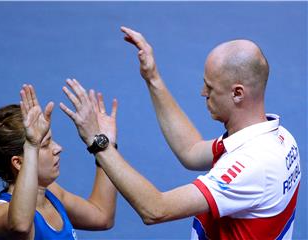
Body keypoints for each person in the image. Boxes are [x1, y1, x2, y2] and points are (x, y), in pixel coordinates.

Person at [59, 26, 301, 239]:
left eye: (210, 87)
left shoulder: (253, 165)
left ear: (237, 93)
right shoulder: (278, 138)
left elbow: (155, 209)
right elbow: (191, 151)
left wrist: (98, 143)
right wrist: (152, 78)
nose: (202, 92)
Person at [0, 84, 117, 240]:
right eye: (45, 145)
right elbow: (21, 226)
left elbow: (102, 216)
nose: (58, 148)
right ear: (18, 163)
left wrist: (105, 147)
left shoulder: (50, 192)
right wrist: (32, 145)